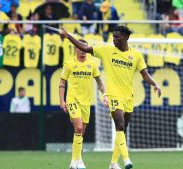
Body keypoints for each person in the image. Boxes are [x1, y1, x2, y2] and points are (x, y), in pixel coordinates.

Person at [60, 26, 162, 169]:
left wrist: (155, 84)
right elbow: (86, 48)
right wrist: (69, 36)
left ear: (126, 37)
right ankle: (126, 159)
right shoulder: (107, 51)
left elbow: (145, 74)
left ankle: (113, 163)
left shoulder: (136, 56)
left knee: (122, 130)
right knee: (119, 125)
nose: (114, 39)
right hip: (113, 95)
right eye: (113, 36)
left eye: (117, 37)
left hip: (128, 97)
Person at [59, 39, 108, 169]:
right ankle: (78, 160)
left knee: (81, 131)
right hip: (73, 100)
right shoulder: (69, 64)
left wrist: (105, 94)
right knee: (79, 128)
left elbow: (100, 82)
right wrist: (62, 100)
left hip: (86, 102)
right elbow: (62, 83)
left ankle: (73, 162)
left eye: (85, 49)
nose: (83, 51)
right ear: (76, 49)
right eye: (80, 48)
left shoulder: (92, 64)